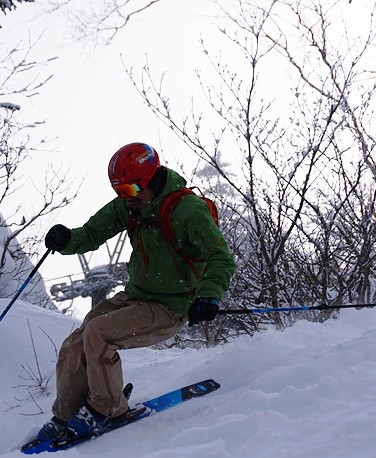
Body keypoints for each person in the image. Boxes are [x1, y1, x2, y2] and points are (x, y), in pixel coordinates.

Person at [36, 142, 235, 442]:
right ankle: (66, 414)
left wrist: (208, 295)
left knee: (98, 333)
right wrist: (66, 241)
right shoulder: (130, 205)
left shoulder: (186, 209)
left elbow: (221, 257)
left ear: (152, 180)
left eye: (129, 190)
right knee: (74, 344)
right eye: (118, 191)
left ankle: (107, 409)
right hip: (135, 296)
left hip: (171, 306)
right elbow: (91, 234)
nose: (124, 198)